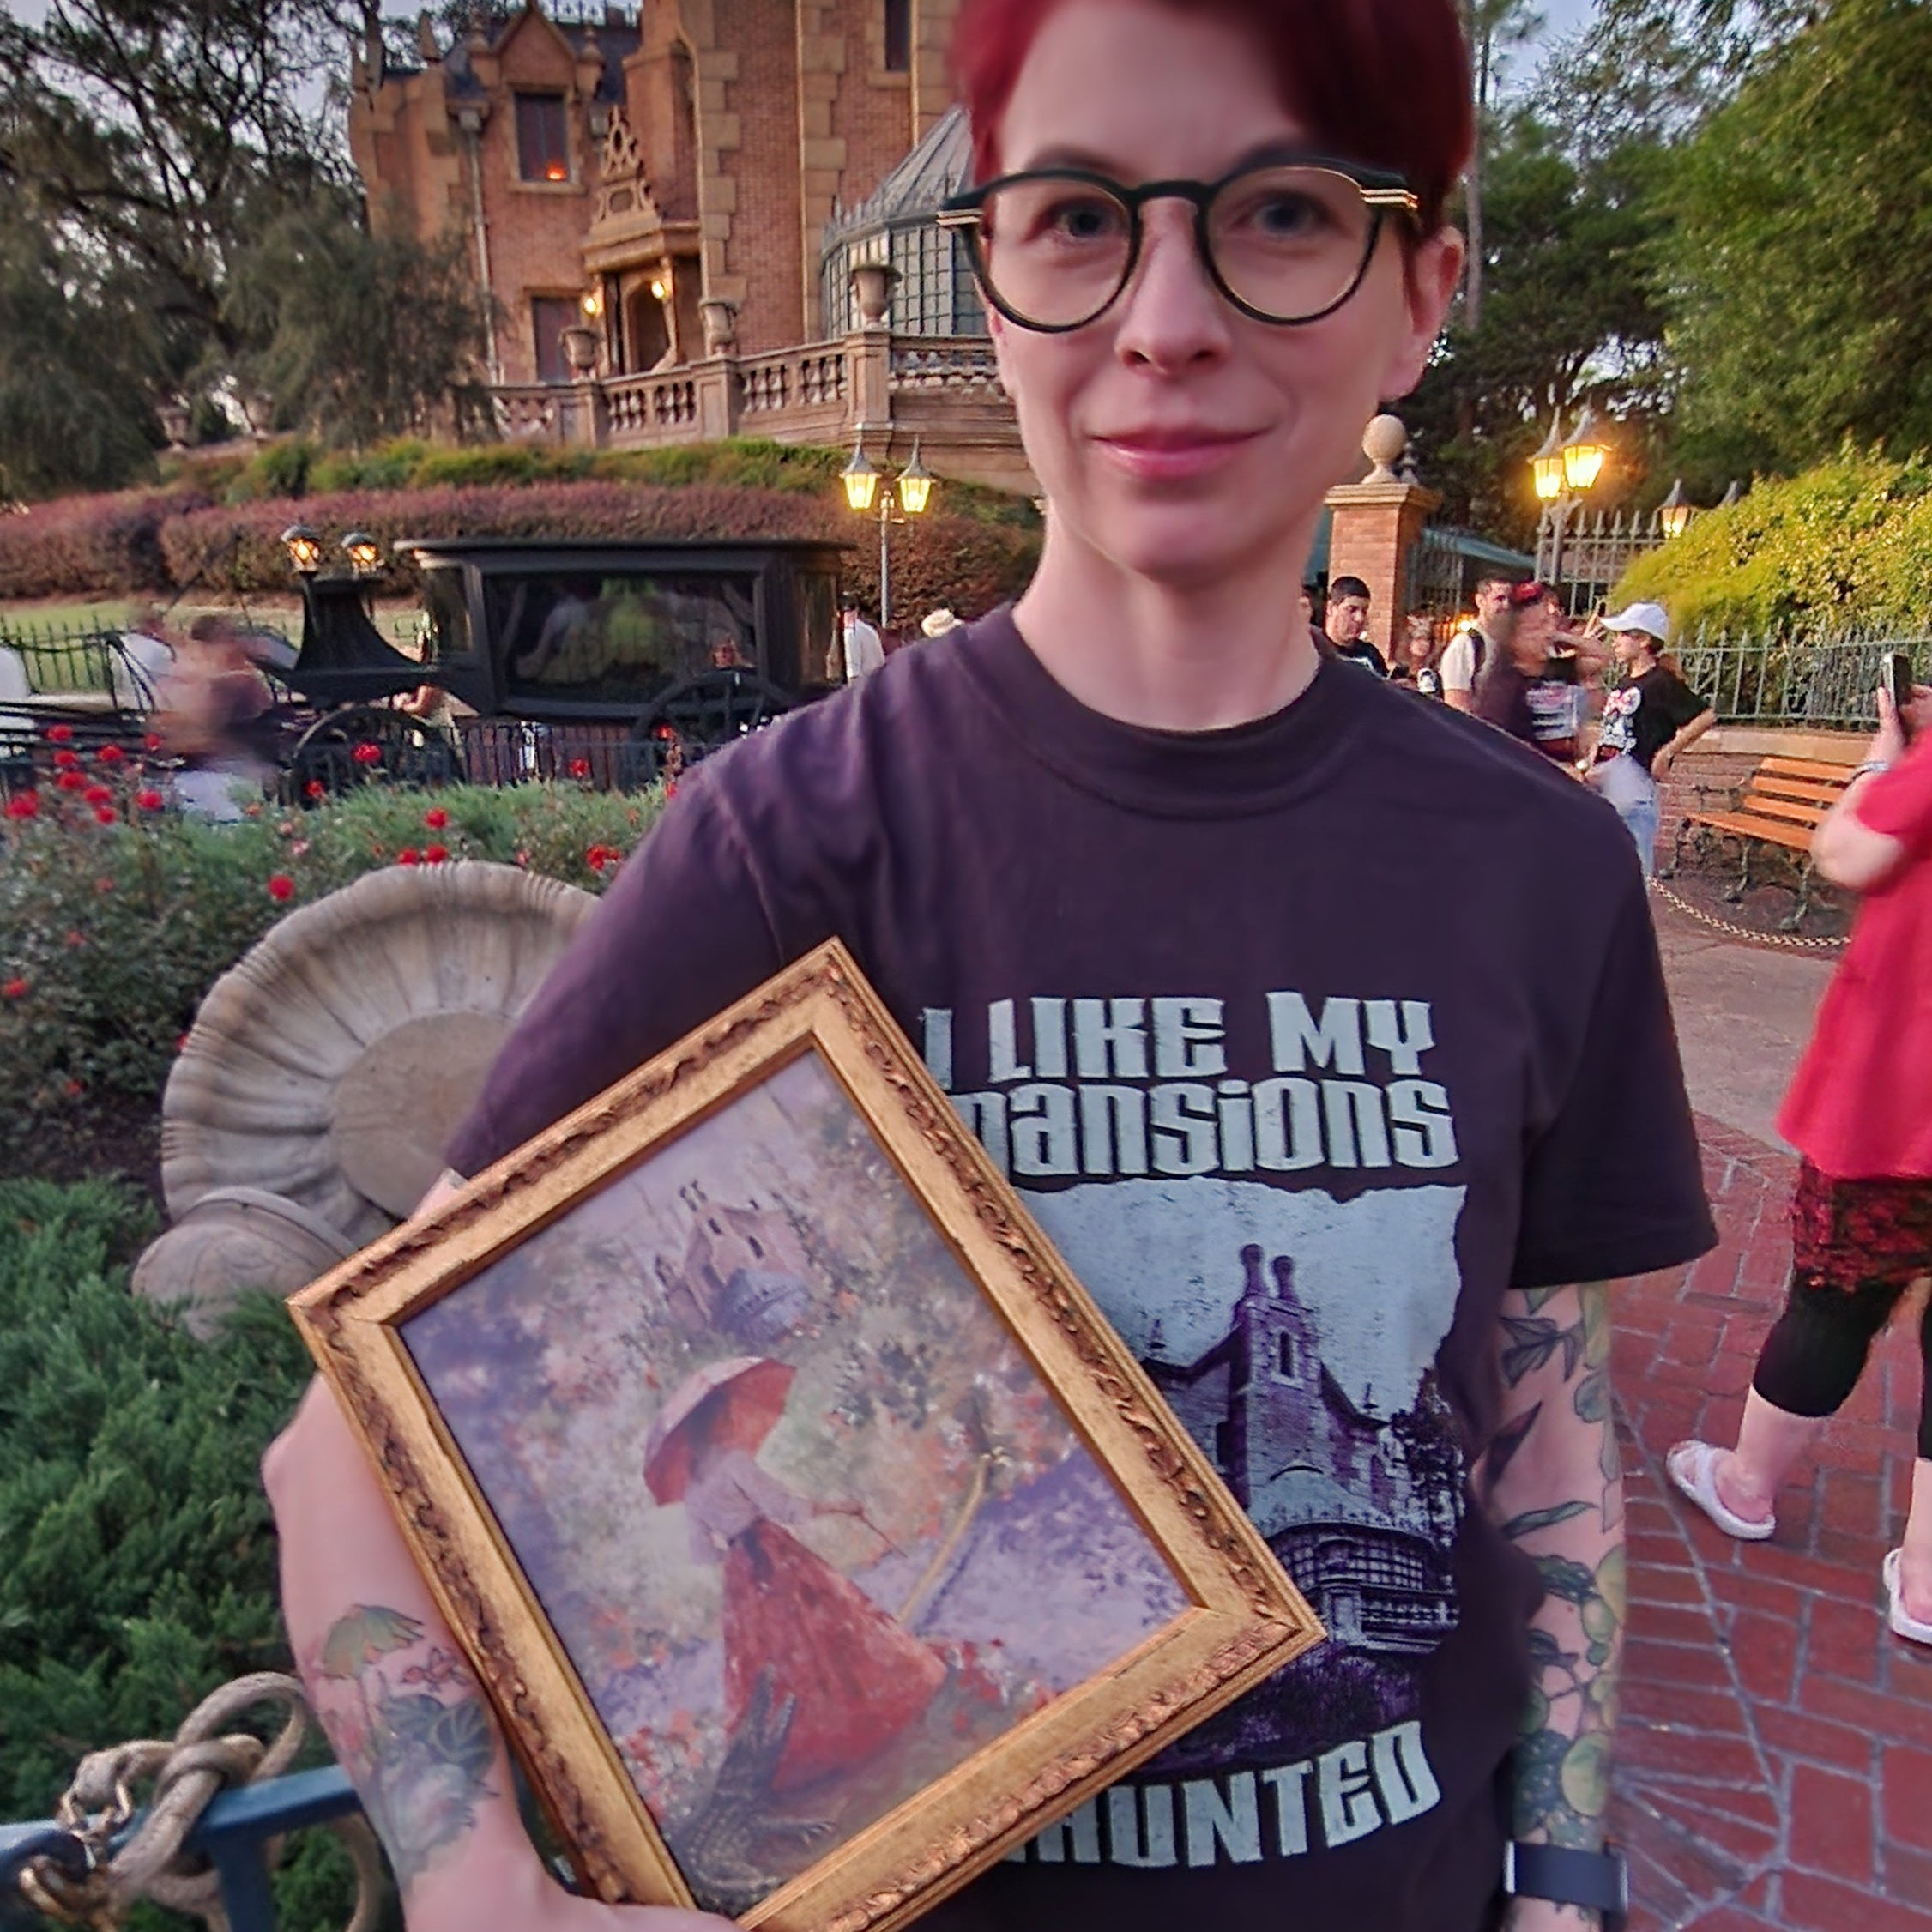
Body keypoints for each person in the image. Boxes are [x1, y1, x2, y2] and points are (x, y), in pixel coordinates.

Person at [264, 5, 1713, 1931]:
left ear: (1417, 290)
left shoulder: (1534, 864)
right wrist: (475, 1889)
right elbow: (351, 1437)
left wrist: (1567, 1869)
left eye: (1280, 213)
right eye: (1077, 219)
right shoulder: (793, 842)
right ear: (998, 278)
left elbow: (1541, 1416)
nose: (1165, 317)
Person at [1666, 674, 1932, 1643]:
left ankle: (1744, 1481)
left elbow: (1846, 851)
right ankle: (1924, 1584)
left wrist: (1882, 757)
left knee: (1832, 1294)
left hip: (1895, 1103)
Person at [1584, 602, 1713, 878]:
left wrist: (1667, 751)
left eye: (1622, 635)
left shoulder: (1661, 682)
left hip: (1634, 785)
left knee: (1630, 874)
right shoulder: (1625, 682)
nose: (1615, 642)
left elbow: (1704, 716)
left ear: (1643, 640)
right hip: (1609, 781)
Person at [1472, 583, 1587, 764]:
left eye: (1547, 624)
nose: (1547, 633)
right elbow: (1507, 752)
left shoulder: (1556, 670)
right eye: (1536, 628)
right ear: (1514, 638)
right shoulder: (1505, 690)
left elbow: (1598, 658)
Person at [1440, 571, 1514, 714]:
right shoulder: (1466, 644)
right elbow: (1456, 706)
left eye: (1510, 599)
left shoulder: (1509, 643)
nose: (1506, 605)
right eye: (1499, 599)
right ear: (1480, 601)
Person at [1322, 574, 1388, 674]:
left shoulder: (1370, 654)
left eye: (1364, 611)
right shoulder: (1315, 651)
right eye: (1351, 610)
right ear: (1331, 608)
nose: (1359, 618)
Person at [1388, 612, 1443, 697]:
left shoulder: (1433, 675)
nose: (1423, 644)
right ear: (1409, 643)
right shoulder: (1399, 671)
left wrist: (1417, 690)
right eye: (1418, 639)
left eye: (1427, 640)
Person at [841, 599, 886, 680]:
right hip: (877, 684)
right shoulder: (869, 630)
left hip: (863, 686)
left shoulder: (851, 632)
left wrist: (853, 692)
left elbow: (854, 674)